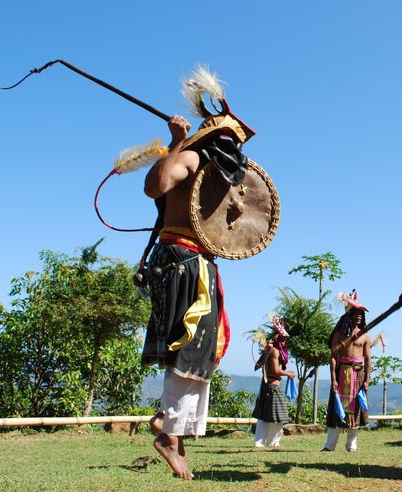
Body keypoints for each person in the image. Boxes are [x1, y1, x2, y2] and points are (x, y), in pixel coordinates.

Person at [141, 67, 255, 480]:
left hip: (201, 264)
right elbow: (155, 187)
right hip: (180, 261)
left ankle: (172, 429)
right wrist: (175, 142)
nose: (231, 150)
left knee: (201, 350)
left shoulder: (222, 176)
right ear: (210, 141)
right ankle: (170, 435)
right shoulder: (190, 157)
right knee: (187, 346)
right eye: (226, 142)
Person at [322, 290, 371, 452]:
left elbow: (368, 359)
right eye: (356, 313)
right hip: (341, 373)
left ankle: (352, 445)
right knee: (337, 410)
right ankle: (329, 445)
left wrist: (367, 380)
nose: (359, 316)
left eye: (361, 314)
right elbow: (333, 356)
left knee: (355, 411)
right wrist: (333, 379)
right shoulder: (339, 334)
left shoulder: (365, 335)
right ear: (349, 315)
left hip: (358, 374)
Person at [252, 317, 295, 448]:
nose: (285, 340)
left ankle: (266, 442)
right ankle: (269, 442)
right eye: (282, 337)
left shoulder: (272, 349)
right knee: (277, 416)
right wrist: (289, 374)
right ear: (277, 337)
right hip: (272, 386)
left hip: (270, 385)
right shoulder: (275, 350)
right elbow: (276, 370)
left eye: (285, 338)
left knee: (267, 416)